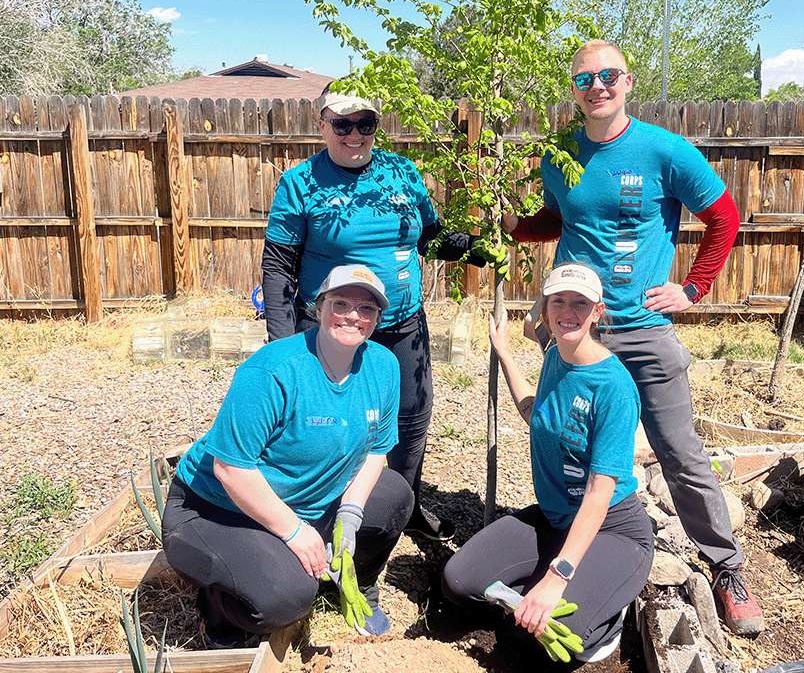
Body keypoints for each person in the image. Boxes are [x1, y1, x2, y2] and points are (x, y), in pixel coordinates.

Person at [502, 39, 764, 636]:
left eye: (609, 76)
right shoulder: (560, 151)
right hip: (575, 329)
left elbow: (724, 217)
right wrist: (513, 225)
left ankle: (725, 568)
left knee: (680, 451)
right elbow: (559, 219)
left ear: (627, 82)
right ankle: (569, 550)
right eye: (586, 78)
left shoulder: (664, 150)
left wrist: (693, 290)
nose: (598, 86)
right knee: (561, 440)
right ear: (574, 88)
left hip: (643, 331)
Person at [261, 88, 506, 542]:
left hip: (403, 324)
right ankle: (322, 512)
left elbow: (428, 239)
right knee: (332, 422)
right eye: (342, 124)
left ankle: (402, 504)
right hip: (336, 327)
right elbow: (278, 266)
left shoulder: (402, 173)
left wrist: (474, 249)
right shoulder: (301, 183)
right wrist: (282, 343)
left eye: (365, 124)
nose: (354, 135)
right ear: (323, 124)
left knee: (411, 417)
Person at [162, 265, 413, 643]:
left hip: (304, 499)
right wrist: (294, 532)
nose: (352, 316)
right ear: (318, 306)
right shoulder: (273, 371)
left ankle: (352, 584)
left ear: (378, 317)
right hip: (219, 509)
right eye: (340, 302)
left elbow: (378, 449)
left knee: (393, 497)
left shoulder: (382, 366)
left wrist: (350, 511)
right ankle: (219, 612)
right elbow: (230, 469)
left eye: (366, 309)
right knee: (287, 598)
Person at [442, 263, 654, 664]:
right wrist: (504, 352)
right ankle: (554, 582)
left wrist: (558, 576)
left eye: (580, 303)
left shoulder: (615, 390)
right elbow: (535, 412)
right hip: (557, 520)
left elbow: (599, 493)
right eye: (558, 301)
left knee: (560, 635)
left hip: (613, 527)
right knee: (458, 582)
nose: (567, 311)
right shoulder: (556, 356)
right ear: (545, 308)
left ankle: (606, 614)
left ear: (597, 311)